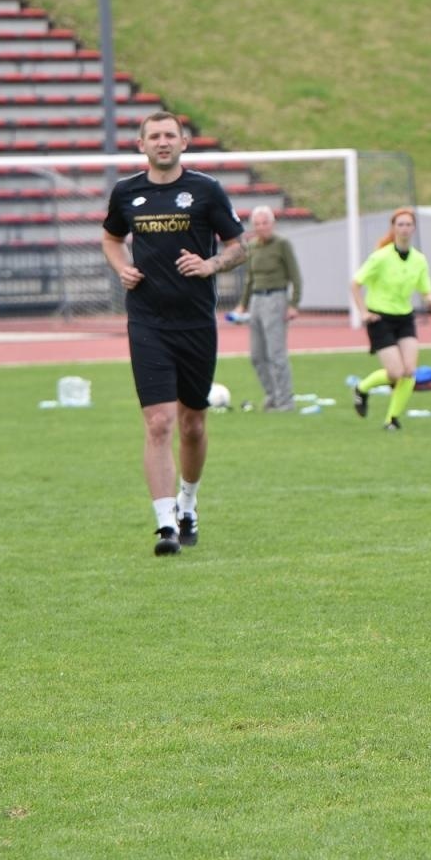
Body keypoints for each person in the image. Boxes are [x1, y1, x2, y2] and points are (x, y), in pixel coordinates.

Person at [99, 110, 246, 556]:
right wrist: (122, 267)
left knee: (192, 425)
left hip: (196, 322)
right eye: (154, 136)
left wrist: (210, 264)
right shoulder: (126, 193)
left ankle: (188, 502)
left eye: (170, 135)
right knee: (158, 422)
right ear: (141, 145)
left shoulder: (206, 190)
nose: (162, 142)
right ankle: (165, 525)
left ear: (183, 142)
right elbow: (110, 238)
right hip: (147, 322)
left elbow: (238, 247)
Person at [349, 207, 431, 432]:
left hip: (405, 318)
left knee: (409, 371)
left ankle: (392, 419)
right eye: (400, 224)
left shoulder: (419, 259)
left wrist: (430, 298)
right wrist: (363, 312)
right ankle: (362, 388)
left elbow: (425, 288)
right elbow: (355, 283)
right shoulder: (380, 257)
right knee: (395, 373)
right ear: (393, 228)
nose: (405, 228)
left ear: (414, 228)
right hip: (380, 318)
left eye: (408, 224)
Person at [232, 205, 303, 412]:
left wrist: (293, 304)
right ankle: (272, 395)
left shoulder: (282, 244)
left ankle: (285, 401)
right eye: (257, 224)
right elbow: (250, 279)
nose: (261, 227)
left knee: (276, 353)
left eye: (265, 223)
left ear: (273, 224)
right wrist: (242, 305)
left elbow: (295, 276)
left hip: (276, 298)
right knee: (257, 355)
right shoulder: (252, 246)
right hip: (256, 300)